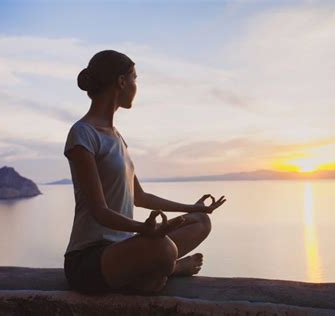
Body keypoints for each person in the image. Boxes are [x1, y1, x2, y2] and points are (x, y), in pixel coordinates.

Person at [63, 50, 226, 295]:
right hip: (90, 259)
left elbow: (140, 197)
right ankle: (168, 268)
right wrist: (144, 229)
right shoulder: (83, 134)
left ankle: (151, 272)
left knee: (201, 222)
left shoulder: (118, 138)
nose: (136, 86)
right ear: (121, 82)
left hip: (127, 247)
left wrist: (193, 208)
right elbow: (100, 212)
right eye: (135, 79)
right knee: (164, 250)